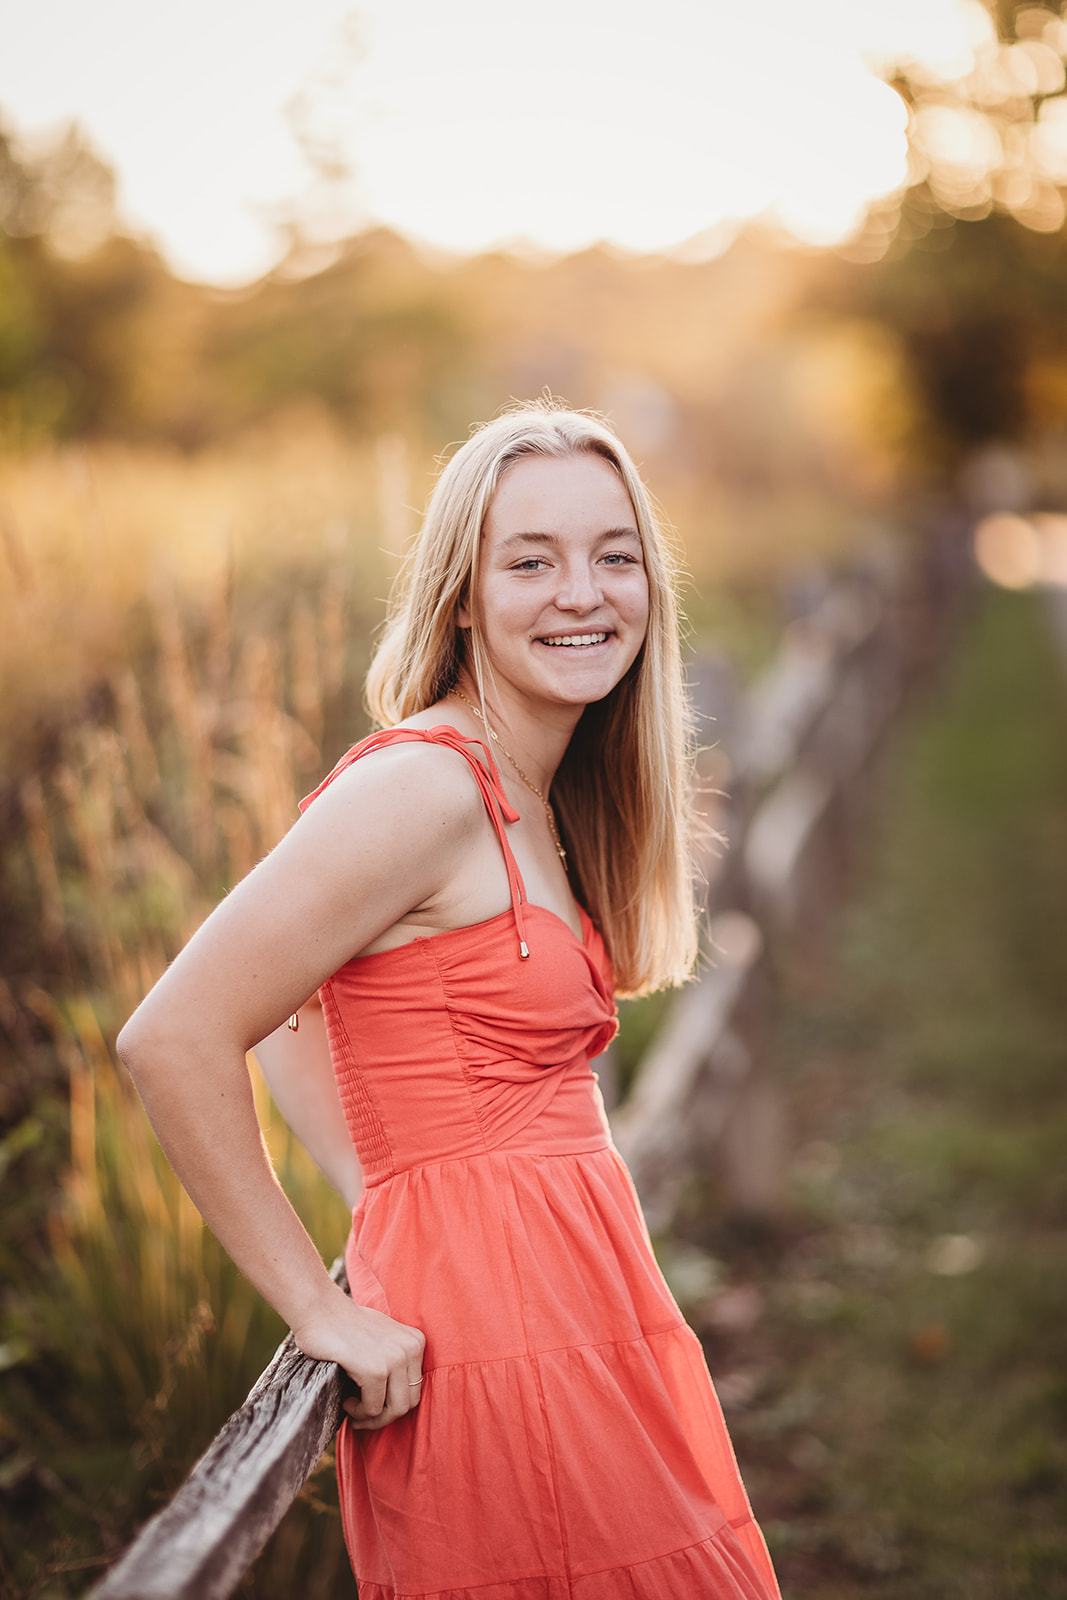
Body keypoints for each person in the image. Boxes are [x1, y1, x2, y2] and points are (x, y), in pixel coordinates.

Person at [118, 401, 780, 1599]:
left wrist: (385, 1189)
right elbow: (176, 1034)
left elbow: (294, 1010)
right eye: (530, 560)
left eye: (612, 555)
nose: (580, 592)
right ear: (462, 598)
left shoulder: (539, 786)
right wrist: (319, 1307)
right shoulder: (424, 785)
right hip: (496, 1350)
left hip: (580, 1307)